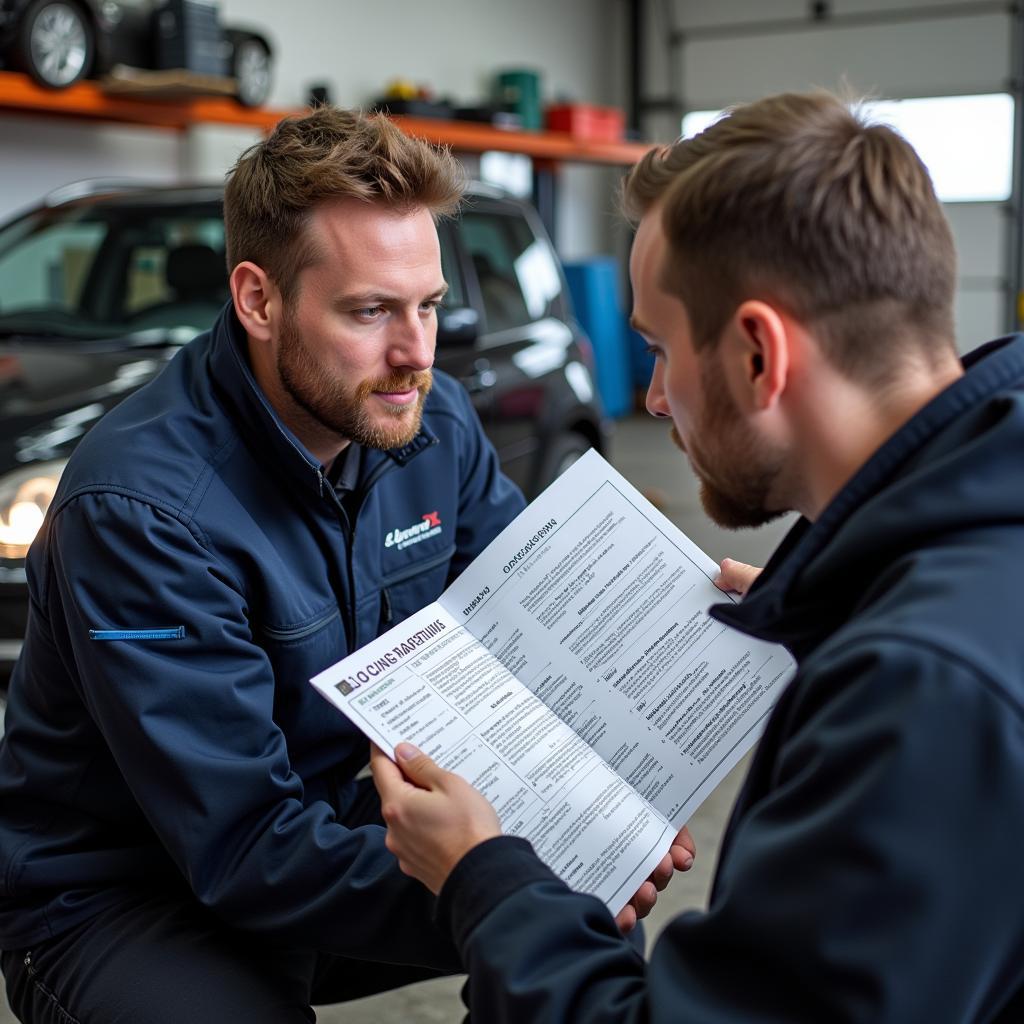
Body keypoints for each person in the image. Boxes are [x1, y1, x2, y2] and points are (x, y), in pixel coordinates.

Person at [0, 106, 682, 1023]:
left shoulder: (430, 425)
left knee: (583, 933)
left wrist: (601, 824)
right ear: (259, 300)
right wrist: (509, 885)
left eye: (429, 306)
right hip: (131, 893)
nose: (416, 355)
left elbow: (529, 639)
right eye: (370, 311)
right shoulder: (141, 510)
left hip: (325, 825)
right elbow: (240, 845)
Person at [371, 90, 1024, 1022]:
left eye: (660, 349)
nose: (654, 400)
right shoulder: (954, 581)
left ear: (760, 354)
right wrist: (849, 613)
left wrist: (485, 875)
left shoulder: (921, 693)